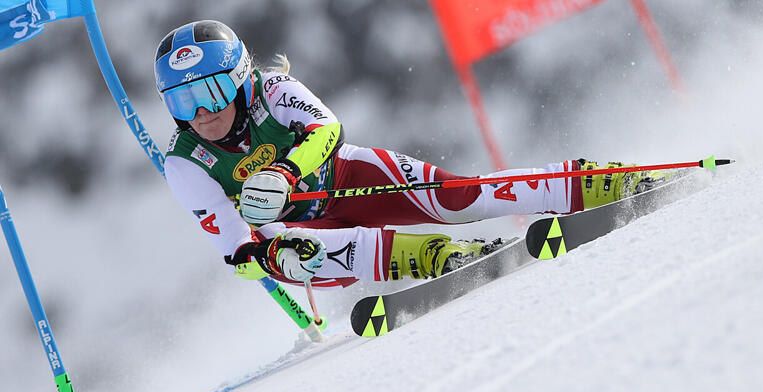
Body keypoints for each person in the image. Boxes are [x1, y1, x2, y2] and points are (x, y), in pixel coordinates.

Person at [154, 20, 668, 289]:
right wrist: (250, 254)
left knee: (460, 198)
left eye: (212, 92)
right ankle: (429, 258)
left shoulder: (274, 89)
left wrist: (287, 171)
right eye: (182, 101)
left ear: (242, 80)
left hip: (345, 177)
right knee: (289, 255)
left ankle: (592, 183)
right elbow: (230, 239)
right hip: (299, 232)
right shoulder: (184, 160)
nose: (201, 113)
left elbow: (327, 130)